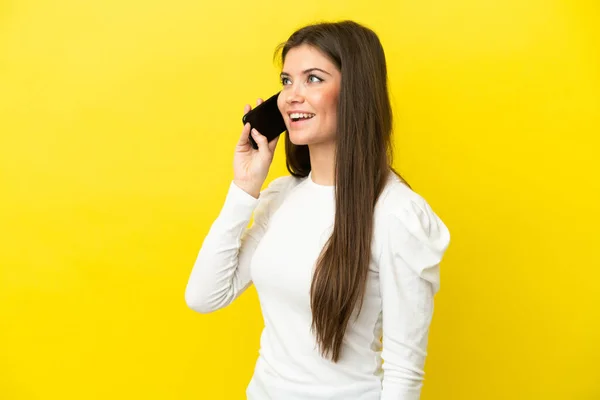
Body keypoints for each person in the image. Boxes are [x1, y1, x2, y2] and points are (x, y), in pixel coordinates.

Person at [185, 20, 451, 400]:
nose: (292, 95)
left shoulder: (397, 215)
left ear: (355, 92)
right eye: (287, 80)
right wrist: (244, 189)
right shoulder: (279, 197)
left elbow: (403, 371)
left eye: (313, 79)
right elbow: (205, 296)